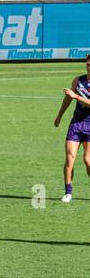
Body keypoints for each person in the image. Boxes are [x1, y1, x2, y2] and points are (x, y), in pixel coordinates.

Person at [53, 53, 90, 202]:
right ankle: (68, 192)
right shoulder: (78, 81)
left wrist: (77, 97)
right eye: (87, 64)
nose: (89, 67)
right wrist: (59, 115)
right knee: (70, 159)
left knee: (88, 160)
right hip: (76, 124)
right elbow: (68, 98)